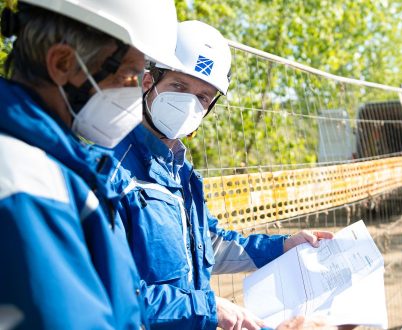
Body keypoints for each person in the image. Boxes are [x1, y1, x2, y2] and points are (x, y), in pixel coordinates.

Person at [110, 20, 334, 330]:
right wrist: (206, 308)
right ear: (148, 81)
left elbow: (209, 243)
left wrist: (283, 246)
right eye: (179, 86)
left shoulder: (183, 173)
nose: (189, 103)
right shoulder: (112, 170)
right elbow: (110, 293)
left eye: (202, 97)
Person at [0, 0, 181, 328]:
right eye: (129, 74)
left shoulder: (61, 167)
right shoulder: (23, 178)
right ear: (63, 63)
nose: (134, 96)